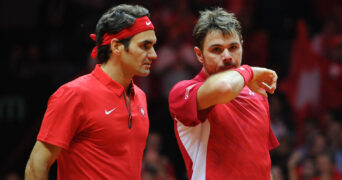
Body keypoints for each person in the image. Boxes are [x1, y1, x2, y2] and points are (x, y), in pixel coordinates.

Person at [25, 4, 157, 180]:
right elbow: (36, 165)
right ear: (116, 46)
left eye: (153, 45)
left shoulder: (140, 96)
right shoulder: (74, 94)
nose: (154, 54)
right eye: (145, 46)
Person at [168, 7, 279, 179]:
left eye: (233, 47)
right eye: (216, 50)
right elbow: (224, 88)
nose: (227, 56)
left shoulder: (257, 93)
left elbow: (261, 162)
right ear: (199, 55)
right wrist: (248, 71)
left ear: (242, 46)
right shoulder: (183, 91)